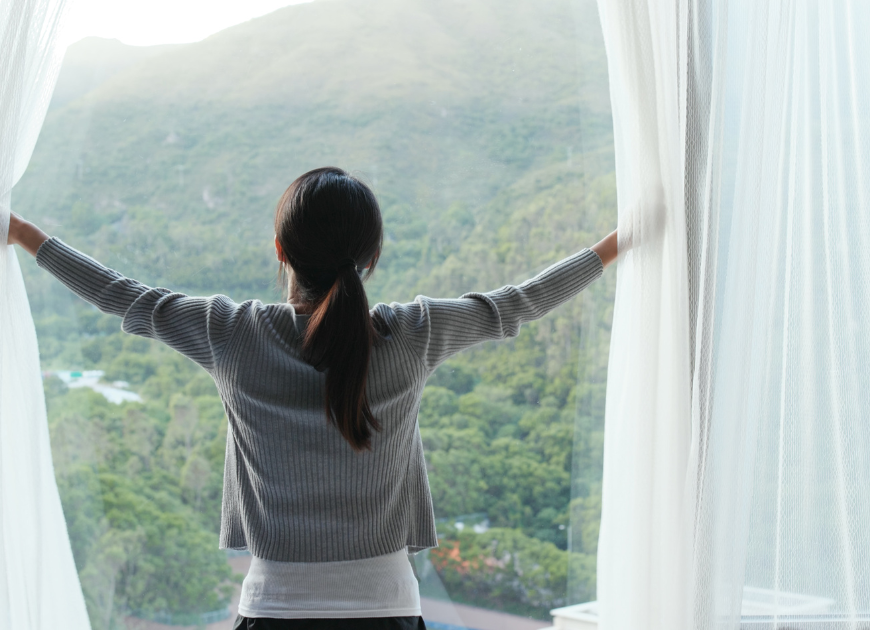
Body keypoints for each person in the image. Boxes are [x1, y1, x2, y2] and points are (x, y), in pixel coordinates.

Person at [9, 166, 617, 629]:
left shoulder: (233, 334)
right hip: (388, 609)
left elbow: (125, 296)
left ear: (281, 251)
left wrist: (23, 233)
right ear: (371, 257)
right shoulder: (413, 335)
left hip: (274, 610)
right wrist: (616, 244)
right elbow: (519, 303)